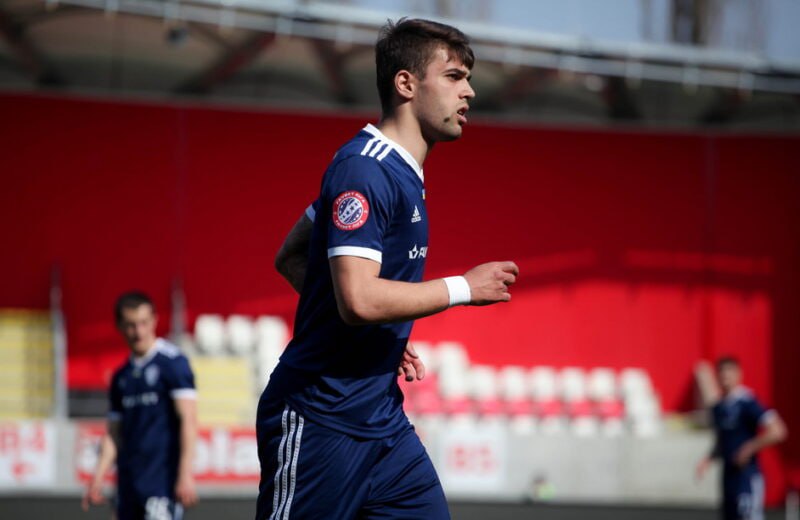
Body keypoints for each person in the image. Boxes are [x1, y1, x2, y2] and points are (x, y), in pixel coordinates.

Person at [256, 17, 519, 520]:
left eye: (467, 78)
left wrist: (379, 333)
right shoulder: (365, 167)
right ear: (406, 84)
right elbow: (358, 299)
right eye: (454, 76)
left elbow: (293, 255)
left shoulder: (397, 171)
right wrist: (463, 288)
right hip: (321, 418)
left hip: (382, 423)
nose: (469, 91)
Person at [82, 291, 198, 520]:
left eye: (144, 323)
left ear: (154, 320)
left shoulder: (173, 363)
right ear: (120, 326)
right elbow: (114, 433)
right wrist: (98, 477)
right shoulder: (121, 377)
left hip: (162, 483)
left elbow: (189, 419)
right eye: (131, 325)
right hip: (128, 485)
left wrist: (185, 474)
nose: (139, 332)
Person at [696, 356, 788, 520]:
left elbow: (778, 431)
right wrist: (708, 459)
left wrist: (749, 448)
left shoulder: (748, 402)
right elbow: (723, 440)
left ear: (739, 374)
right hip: (728, 476)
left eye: (729, 371)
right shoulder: (719, 407)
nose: (725, 376)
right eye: (722, 372)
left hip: (747, 475)